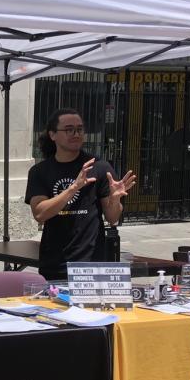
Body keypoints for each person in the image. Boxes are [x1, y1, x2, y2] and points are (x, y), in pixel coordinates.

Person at [25, 109, 137, 282]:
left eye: (80, 129)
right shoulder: (40, 171)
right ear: (53, 134)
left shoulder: (99, 167)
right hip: (55, 265)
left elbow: (113, 218)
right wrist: (73, 188)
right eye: (69, 129)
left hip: (92, 263)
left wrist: (115, 200)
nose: (76, 134)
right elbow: (40, 214)